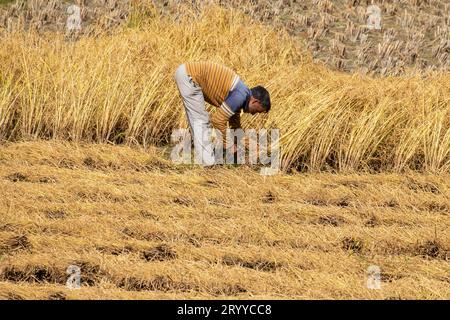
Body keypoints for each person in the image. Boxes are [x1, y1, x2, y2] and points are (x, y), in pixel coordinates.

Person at [173, 61, 271, 166]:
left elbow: (235, 128)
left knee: (198, 120)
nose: (253, 114)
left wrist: (252, 146)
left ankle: (206, 161)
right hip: (189, 77)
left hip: (186, 74)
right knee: (201, 120)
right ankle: (208, 165)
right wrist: (229, 145)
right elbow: (217, 121)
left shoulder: (242, 96)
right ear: (255, 101)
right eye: (256, 111)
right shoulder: (240, 96)